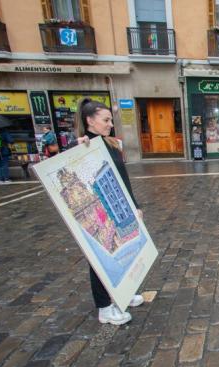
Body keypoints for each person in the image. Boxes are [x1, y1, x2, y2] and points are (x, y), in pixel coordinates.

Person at [73, 98, 145, 325]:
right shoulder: (84, 146)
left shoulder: (110, 143)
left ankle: (123, 292)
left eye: (110, 120)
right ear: (89, 121)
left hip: (120, 208)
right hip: (102, 212)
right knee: (102, 257)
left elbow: (122, 180)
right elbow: (73, 171)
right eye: (105, 120)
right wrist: (77, 149)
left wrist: (135, 206)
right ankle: (104, 307)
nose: (110, 124)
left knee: (124, 251)